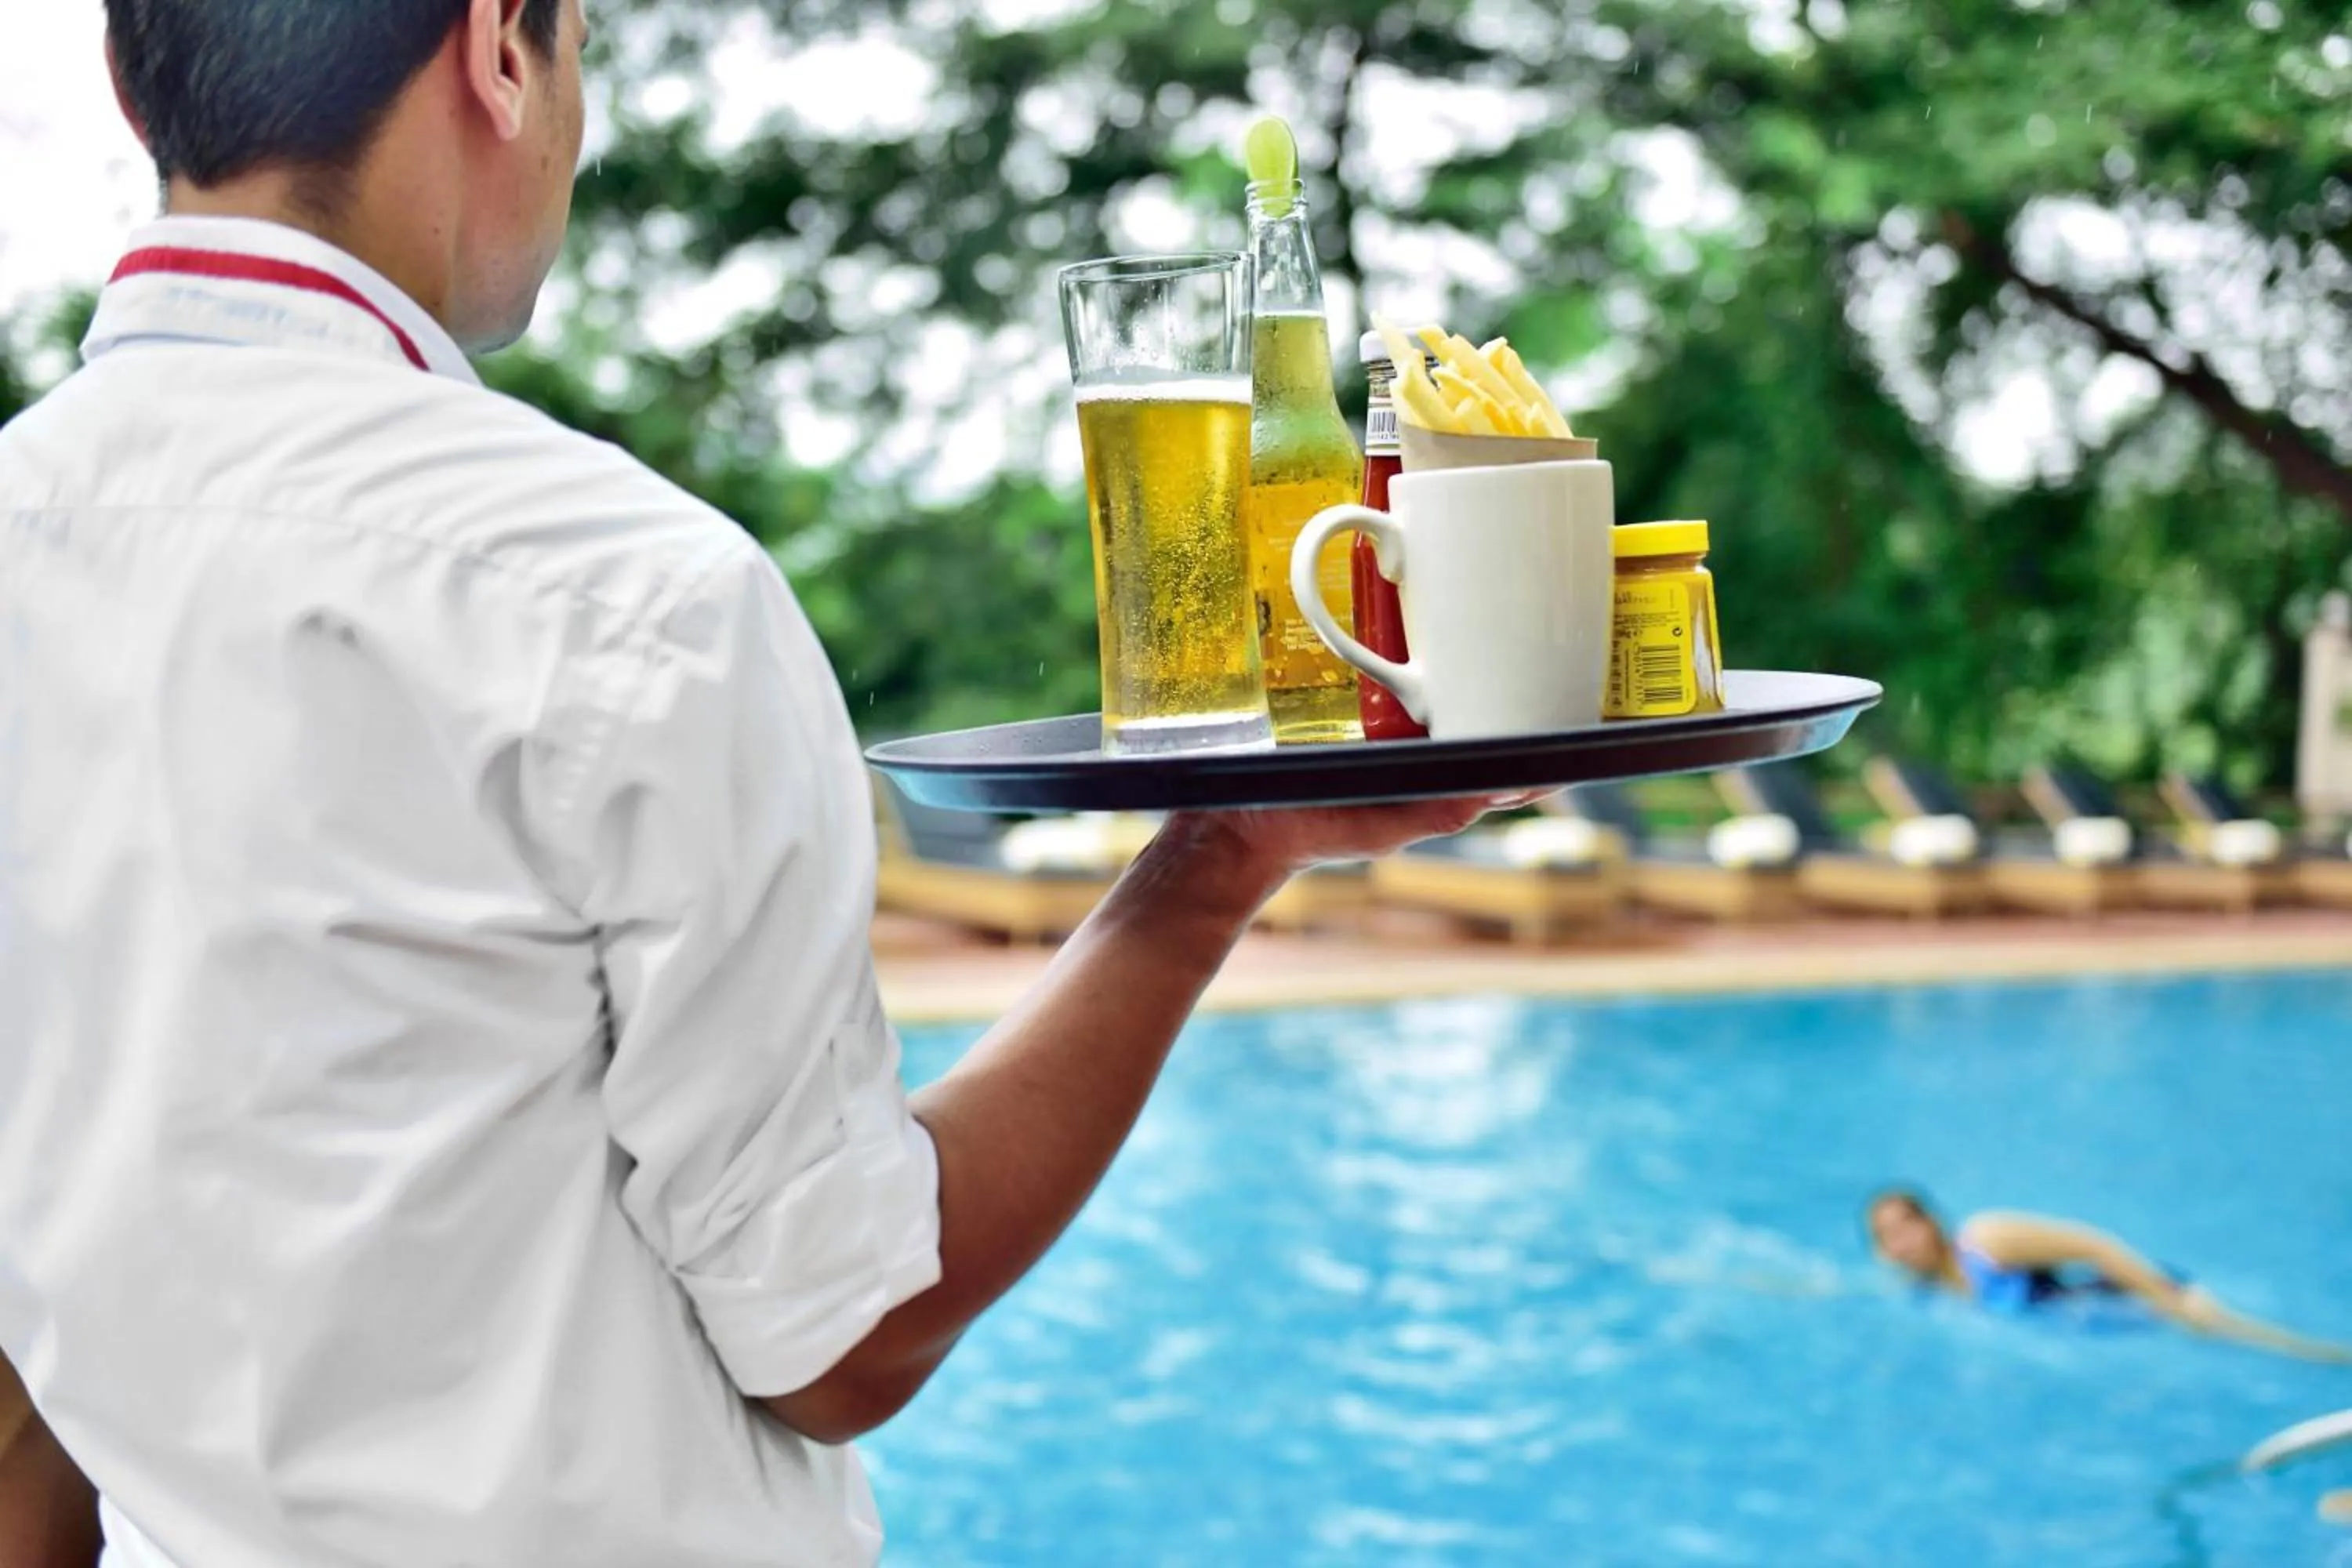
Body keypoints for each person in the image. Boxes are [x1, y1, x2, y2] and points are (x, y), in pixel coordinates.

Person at [0, 3, 1523, 1564]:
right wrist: (1213, 866)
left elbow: (16, 1428)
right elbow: (840, 1335)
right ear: (501, 49)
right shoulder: (617, 591)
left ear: (132, 79)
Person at [1864, 1189, 2352, 1362]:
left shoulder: (1987, 1240)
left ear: (1932, 1220)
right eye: (1887, 1238)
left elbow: (2094, 1245)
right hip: (2119, 1326)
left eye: (1905, 1227)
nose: (1901, 1243)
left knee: (2289, 1349)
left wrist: (2170, 1302)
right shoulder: (1929, 1288)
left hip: (2147, 1299)